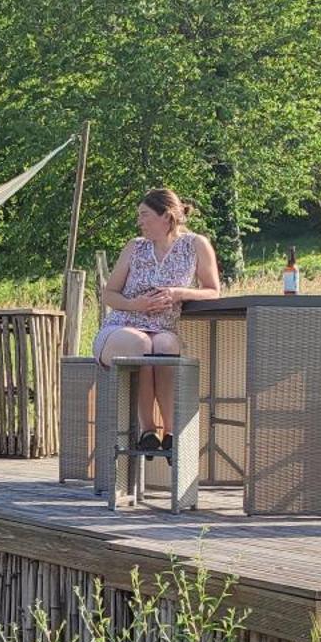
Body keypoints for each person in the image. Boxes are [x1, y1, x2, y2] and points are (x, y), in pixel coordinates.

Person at [94, 188, 222, 453]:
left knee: (165, 346)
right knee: (141, 344)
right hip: (123, 325)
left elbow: (213, 290)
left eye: (144, 215)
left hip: (162, 326)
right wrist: (135, 304)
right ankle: (147, 429)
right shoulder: (135, 247)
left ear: (167, 216)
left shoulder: (195, 245)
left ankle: (171, 432)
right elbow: (108, 294)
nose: (139, 222)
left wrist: (179, 293)